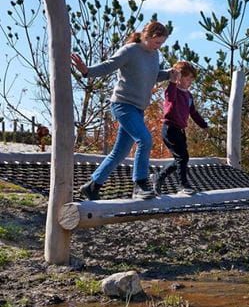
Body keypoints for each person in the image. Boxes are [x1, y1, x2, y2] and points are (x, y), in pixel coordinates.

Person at [71, 21, 178, 200]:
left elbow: (152, 76)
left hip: (138, 108)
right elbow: (108, 65)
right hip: (122, 104)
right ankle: (140, 184)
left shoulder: (154, 55)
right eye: (157, 42)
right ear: (147, 36)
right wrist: (87, 71)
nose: (159, 46)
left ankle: (92, 185)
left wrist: (168, 74)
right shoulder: (130, 50)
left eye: (161, 43)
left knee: (120, 152)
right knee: (145, 140)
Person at [152, 61, 209, 195]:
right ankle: (182, 185)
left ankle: (158, 177)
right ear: (179, 77)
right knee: (182, 157)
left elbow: (193, 113)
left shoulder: (189, 95)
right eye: (188, 78)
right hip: (170, 128)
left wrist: (204, 125)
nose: (190, 81)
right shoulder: (172, 91)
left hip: (180, 130)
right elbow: (170, 100)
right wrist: (172, 81)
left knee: (182, 158)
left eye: (191, 79)